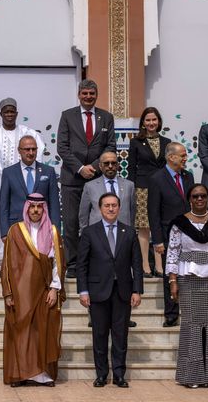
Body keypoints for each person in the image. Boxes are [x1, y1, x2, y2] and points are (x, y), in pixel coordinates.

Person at [166, 184, 208, 389]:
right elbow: (172, 254)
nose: (199, 199)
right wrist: (172, 281)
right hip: (188, 280)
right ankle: (192, 376)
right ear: (190, 199)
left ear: (207, 198)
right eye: (195, 196)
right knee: (191, 326)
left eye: (203, 196)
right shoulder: (179, 224)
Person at [0, 98, 45, 278]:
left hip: (20, 184)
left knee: (24, 218)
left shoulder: (27, 133)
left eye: (12, 111)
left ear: (17, 113)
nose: (9, 114)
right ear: (1, 114)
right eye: (6, 111)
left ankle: (24, 258)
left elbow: (38, 159)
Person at [78, 193, 143, 388]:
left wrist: (137, 290)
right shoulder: (90, 232)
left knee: (120, 335)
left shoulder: (129, 232)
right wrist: (83, 291)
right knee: (99, 334)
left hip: (123, 291)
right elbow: (82, 265)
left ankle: (119, 374)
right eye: (107, 205)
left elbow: (137, 264)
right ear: (100, 208)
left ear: (119, 207)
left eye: (114, 205)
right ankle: (101, 374)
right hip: (98, 291)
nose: (111, 209)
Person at [1, 193, 65, 387]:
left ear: (44, 208)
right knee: (20, 333)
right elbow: (7, 264)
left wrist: (54, 289)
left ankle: (43, 375)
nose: (35, 210)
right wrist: (8, 292)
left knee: (43, 331)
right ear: (26, 208)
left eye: (39, 207)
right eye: (32, 207)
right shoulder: (15, 231)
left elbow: (58, 265)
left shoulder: (52, 231)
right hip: (20, 294)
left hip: (44, 291)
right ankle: (20, 374)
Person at [57, 79, 116, 277]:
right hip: (72, 179)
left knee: (98, 221)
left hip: (96, 179)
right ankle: (73, 264)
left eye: (92, 93)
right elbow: (62, 147)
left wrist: (96, 166)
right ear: (79, 94)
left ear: (96, 95)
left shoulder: (106, 117)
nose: (88, 97)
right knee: (72, 222)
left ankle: (96, 262)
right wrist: (80, 168)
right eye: (85, 94)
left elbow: (110, 146)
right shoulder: (67, 116)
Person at [147, 142, 194, 327]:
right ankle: (172, 314)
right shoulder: (157, 178)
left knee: (190, 273)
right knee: (171, 275)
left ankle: (190, 310)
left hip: (190, 235)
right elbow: (153, 212)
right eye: (182, 155)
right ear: (171, 157)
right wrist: (157, 240)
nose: (185, 158)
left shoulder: (188, 176)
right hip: (168, 235)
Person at [127, 107, 170, 277]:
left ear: (159, 122)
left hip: (161, 187)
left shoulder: (167, 142)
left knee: (158, 224)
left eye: (154, 120)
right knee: (144, 227)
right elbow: (131, 168)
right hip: (142, 188)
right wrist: (130, 189)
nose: (151, 123)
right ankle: (145, 265)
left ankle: (159, 265)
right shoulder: (135, 142)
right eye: (148, 120)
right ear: (143, 123)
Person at [0, 135, 60, 246]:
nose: (31, 152)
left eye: (34, 149)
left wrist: (56, 232)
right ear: (19, 150)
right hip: (17, 226)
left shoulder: (48, 171)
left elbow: (54, 204)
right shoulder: (8, 173)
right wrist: (4, 232)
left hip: (43, 227)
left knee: (42, 261)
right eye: (27, 149)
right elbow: (4, 205)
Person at [79, 151, 136, 228]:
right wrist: (85, 234)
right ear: (100, 166)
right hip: (97, 233)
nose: (110, 166)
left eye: (113, 163)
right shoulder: (89, 186)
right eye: (106, 163)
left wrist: (130, 232)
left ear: (118, 165)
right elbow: (83, 214)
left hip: (123, 233)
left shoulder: (129, 185)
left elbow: (132, 212)